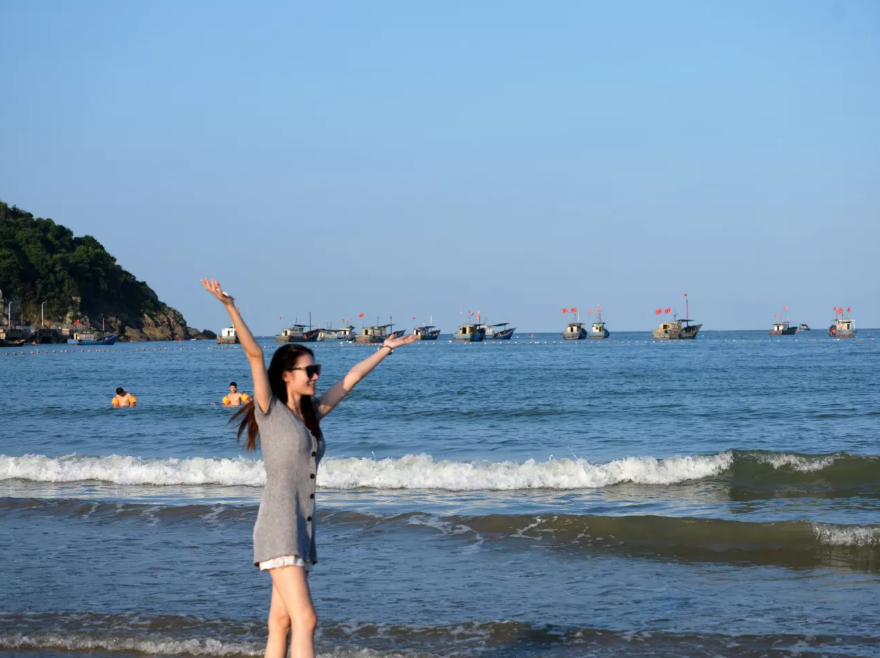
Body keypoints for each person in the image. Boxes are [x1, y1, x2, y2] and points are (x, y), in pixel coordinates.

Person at [201, 277, 416, 658]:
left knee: (281, 623)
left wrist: (385, 349)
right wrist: (230, 308)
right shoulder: (269, 410)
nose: (316, 375)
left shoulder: (312, 414)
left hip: (301, 529)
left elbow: (349, 381)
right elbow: (254, 356)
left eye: (316, 369)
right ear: (287, 376)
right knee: (307, 620)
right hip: (279, 527)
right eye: (308, 370)